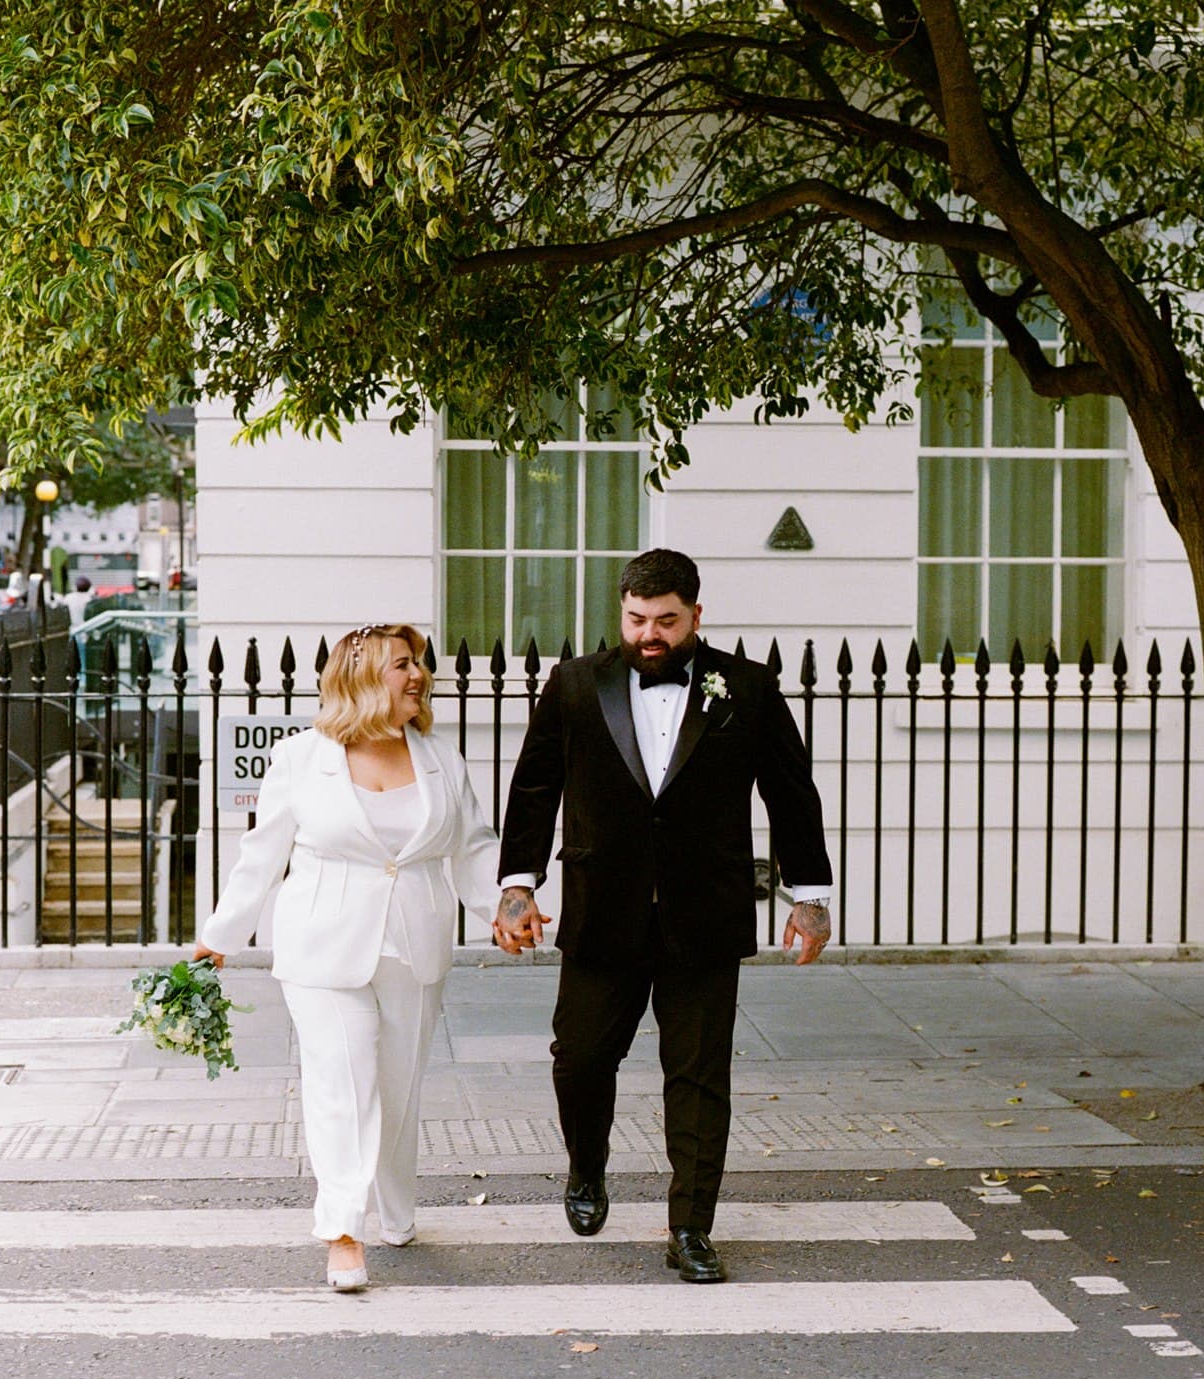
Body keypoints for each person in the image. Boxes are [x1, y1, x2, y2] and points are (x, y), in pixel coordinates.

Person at [493, 548, 832, 1283]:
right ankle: (587, 1165)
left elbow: (790, 791)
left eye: (666, 621)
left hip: (704, 915)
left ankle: (691, 1227)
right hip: (601, 912)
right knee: (581, 1059)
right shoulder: (575, 684)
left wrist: (810, 897)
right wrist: (519, 886)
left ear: (696, 616)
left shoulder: (747, 687)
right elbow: (535, 786)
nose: (650, 635)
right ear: (622, 613)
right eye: (637, 619)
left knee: (700, 1076)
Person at [195, 624, 498, 1290]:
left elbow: (473, 845)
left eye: (419, 664)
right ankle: (342, 1231)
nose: (418, 675)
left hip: (415, 944)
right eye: (402, 664)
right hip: (322, 948)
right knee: (343, 1083)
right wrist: (221, 935)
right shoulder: (302, 758)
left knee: (398, 1086)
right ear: (361, 677)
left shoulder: (440, 757)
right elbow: (262, 855)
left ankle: (395, 1208)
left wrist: (501, 910)